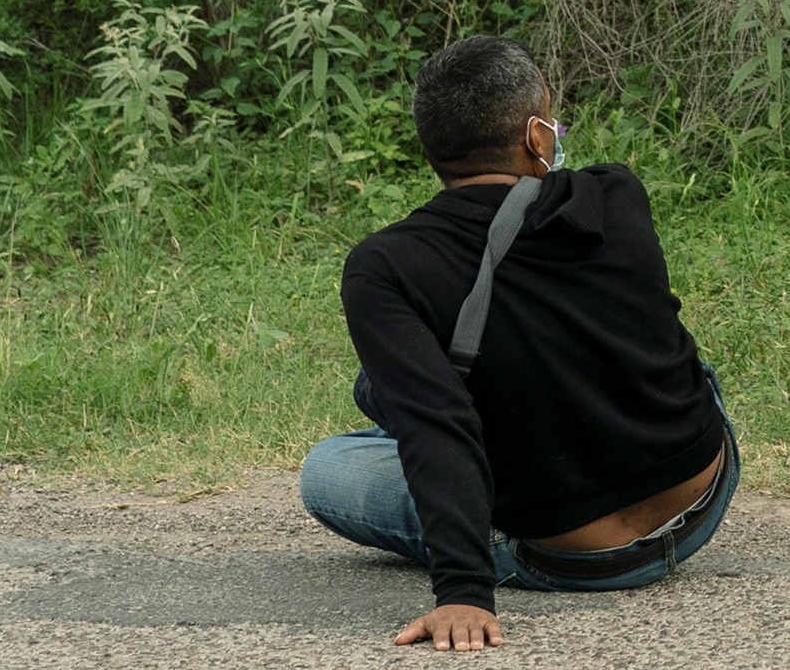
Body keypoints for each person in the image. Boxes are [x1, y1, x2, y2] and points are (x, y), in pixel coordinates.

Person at [306, 37, 735, 652]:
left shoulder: (387, 265)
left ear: (432, 147)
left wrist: (463, 592)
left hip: (573, 557)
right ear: (537, 137)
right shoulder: (614, 194)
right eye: (551, 119)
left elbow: (438, 425)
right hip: (701, 493)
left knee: (328, 465)